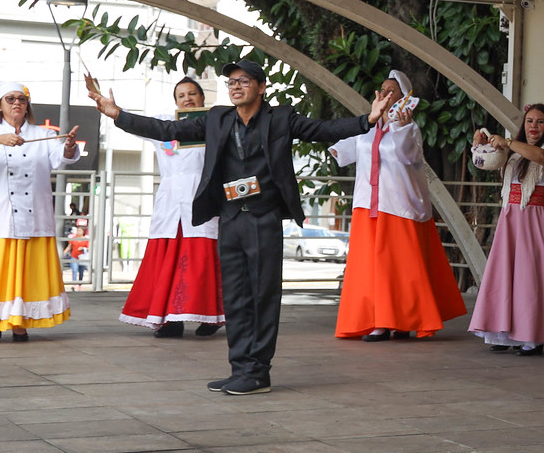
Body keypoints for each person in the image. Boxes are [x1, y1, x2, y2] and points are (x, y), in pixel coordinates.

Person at [89, 60, 392, 393]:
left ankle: (258, 372)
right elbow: (169, 132)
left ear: (261, 87)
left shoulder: (281, 119)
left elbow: (322, 130)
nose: (235, 86)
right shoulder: (218, 118)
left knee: (262, 295)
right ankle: (240, 367)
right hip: (229, 217)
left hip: (264, 216)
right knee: (235, 296)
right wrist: (117, 114)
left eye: (244, 81)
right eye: (231, 81)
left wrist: (369, 119)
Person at [331, 71, 468, 341]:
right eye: (382, 89)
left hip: (398, 207)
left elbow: (408, 156)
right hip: (366, 208)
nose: (384, 94)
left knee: (399, 270)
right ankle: (378, 321)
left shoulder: (410, 129)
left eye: (392, 90)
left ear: (406, 98)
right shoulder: (367, 128)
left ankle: (399, 322)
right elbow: (342, 151)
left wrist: (403, 127)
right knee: (371, 268)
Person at [0, 83, 82, 339]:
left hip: (34, 215)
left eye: (22, 99)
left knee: (28, 273)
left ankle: (22, 321)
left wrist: (68, 145)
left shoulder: (42, 134)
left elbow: (62, 157)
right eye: (10, 99)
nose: (16, 103)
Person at [467, 102, 544, 356]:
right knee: (506, 276)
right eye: (530, 121)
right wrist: (479, 142)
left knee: (531, 278)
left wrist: (508, 141)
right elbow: (484, 162)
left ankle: (532, 335)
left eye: (540, 121)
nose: (534, 126)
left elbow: (542, 158)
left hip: (537, 220)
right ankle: (503, 333)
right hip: (512, 217)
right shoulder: (514, 152)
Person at [118, 78, 224, 338]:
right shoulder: (165, 124)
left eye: (192, 94)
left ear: (202, 98)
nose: (187, 98)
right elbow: (138, 126)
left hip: (202, 201)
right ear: (175, 101)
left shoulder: (216, 125)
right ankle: (170, 319)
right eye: (181, 95)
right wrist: (114, 111)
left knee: (201, 264)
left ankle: (210, 318)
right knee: (168, 263)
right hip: (170, 205)